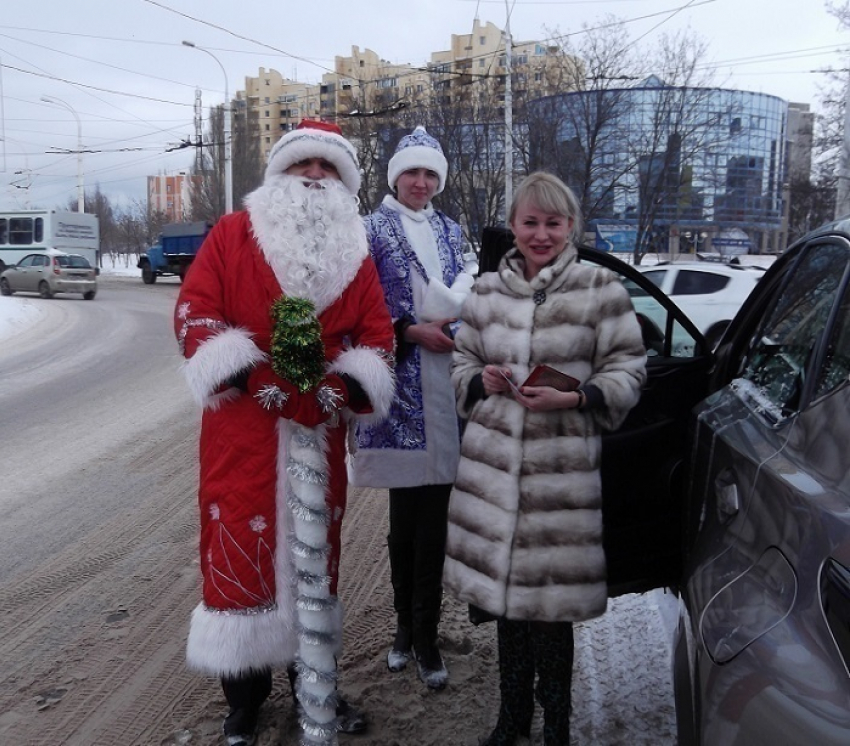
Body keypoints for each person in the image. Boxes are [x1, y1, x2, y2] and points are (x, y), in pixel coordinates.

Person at [174, 119, 396, 746]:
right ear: (281, 173)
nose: (316, 176)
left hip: (316, 427)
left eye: (329, 168)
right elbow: (195, 310)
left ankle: (315, 684)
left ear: (344, 182)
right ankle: (243, 700)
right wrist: (257, 377)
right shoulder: (231, 233)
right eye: (305, 165)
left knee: (313, 559)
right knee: (237, 553)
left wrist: (335, 389)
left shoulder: (357, 249)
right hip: (243, 430)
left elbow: (377, 336)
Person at [443, 171, 647, 745]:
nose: (540, 234)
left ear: (570, 226)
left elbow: (628, 370)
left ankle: (555, 727)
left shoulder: (600, 290)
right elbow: (460, 365)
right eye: (529, 222)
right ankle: (512, 722)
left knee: (551, 617)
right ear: (512, 226)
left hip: (559, 485)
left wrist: (579, 396)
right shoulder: (484, 292)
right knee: (508, 615)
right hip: (493, 474)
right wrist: (479, 380)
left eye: (552, 223)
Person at [349, 125, 476, 691]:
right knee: (406, 523)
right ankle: (406, 626)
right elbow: (360, 303)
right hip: (402, 387)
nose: (421, 183)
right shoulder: (371, 230)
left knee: (436, 522)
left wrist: (459, 328)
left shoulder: (452, 231)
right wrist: (410, 331)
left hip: (447, 385)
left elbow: (477, 292)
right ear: (395, 177)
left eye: (430, 174)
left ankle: (426, 631)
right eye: (412, 173)